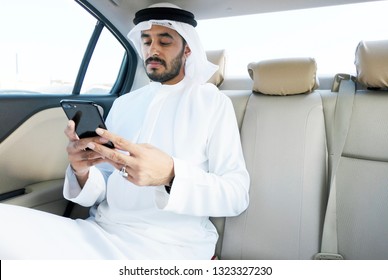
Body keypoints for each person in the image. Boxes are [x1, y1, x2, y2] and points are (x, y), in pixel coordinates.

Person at [0, 3, 249, 259]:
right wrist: (82, 170)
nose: (152, 49)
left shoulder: (213, 104)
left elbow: (236, 195)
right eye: (146, 40)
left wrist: (171, 175)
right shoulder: (125, 103)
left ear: (187, 49)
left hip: (170, 248)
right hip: (99, 232)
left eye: (164, 42)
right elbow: (107, 183)